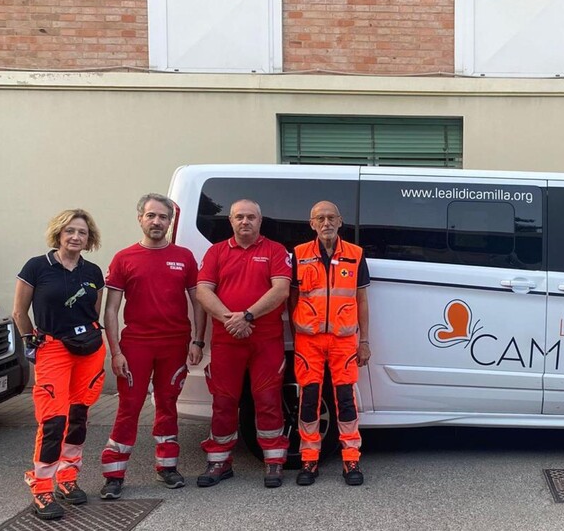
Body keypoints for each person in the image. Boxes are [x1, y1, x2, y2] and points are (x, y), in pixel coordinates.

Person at [99, 194, 207, 499]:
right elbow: (111, 310)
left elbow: (198, 301)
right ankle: (114, 474)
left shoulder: (184, 257)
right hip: (136, 346)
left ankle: (167, 467)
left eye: (163, 217)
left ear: (170, 221)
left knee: (167, 404)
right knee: (129, 407)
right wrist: (115, 351)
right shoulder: (124, 258)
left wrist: (198, 340)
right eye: (151, 215)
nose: (157, 221)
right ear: (140, 219)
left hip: (174, 344)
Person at [12, 209, 107, 520]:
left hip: (89, 348)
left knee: (78, 415)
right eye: (70, 231)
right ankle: (41, 486)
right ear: (59, 234)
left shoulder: (93, 272)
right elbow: (19, 312)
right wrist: (30, 340)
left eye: (82, 232)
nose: (76, 237)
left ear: (89, 238)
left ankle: (68, 477)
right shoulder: (37, 266)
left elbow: (94, 311)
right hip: (53, 348)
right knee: (53, 419)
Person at [195, 199, 291, 488]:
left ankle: (273, 461)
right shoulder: (216, 251)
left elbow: (281, 290)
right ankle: (219, 461)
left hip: (265, 340)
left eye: (251, 217)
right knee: (223, 401)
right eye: (239, 217)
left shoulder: (275, 250)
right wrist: (232, 320)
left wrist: (247, 316)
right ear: (231, 221)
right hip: (227, 340)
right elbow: (203, 291)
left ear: (260, 221)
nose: (245, 221)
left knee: (268, 399)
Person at [290, 200, 371, 486]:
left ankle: (351, 459)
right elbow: (292, 298)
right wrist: (296, 330)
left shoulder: (355, 254)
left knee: (346, 400)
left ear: (340, 221)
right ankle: (309, 459)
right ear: (312, 224)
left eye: (331, 218)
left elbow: (362, 300)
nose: (326, 223)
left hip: (343, 340)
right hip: (308, 340)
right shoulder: (298, 254)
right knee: (309, 399)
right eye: (320, 218)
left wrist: (364, 340)